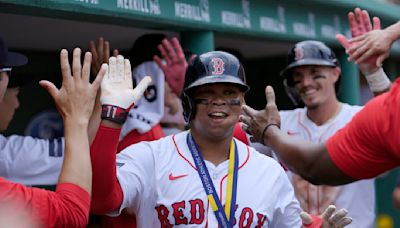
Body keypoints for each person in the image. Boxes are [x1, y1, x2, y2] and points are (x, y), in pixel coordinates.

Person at [89, 51, 352, 227]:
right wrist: (112, 119)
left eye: (229, 92)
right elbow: (101, 200)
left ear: (242, 102)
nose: (219, 101)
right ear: (188, 102)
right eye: (207, 92)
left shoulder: (269, 171)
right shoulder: (150, 157)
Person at [239, 10, 400, 187]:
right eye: (297, 76)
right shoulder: (278, 120)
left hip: (351, 216)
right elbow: (226, 140)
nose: (306, 83)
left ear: (336, 73)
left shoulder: (359, 117)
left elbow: (390, 119)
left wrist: (374, 72)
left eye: (315, 74)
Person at [0, 28, 108, 226]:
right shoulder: (5, 156)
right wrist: (78, 115)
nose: (17, 104)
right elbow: (72, 212)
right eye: (13, 93)